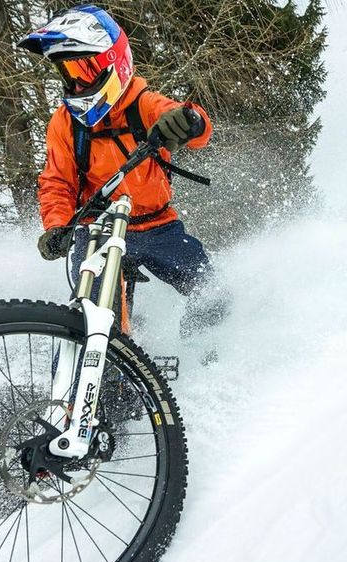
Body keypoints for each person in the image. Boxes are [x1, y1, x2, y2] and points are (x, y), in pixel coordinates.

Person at [18, 5, 225, 337]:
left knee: (212, 293)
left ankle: (201, 352)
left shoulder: (142, 104)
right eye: (68, 72)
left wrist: (189, 120)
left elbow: (192, 125)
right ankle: (98, 381)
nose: (76, 81)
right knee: (92, 319)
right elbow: (57, 181)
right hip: (97, 229)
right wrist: (57, 226)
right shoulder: (65, 123)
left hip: (159, 226)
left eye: (84, 70)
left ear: (114, 63)